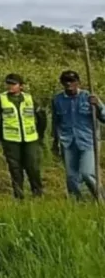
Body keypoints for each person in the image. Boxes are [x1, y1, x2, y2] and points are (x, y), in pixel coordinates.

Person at [0, 73, 47, 199]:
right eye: (8, 84)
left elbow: (42, 117)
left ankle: (37, 193)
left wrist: (39, 134)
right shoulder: (0, 99)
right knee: (15, 169)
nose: (10, 86)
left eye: (13, 84)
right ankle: (19, 195)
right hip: (10, 139)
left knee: (33, 167)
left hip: (30, 139)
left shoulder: (29, 99)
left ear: (21, 86)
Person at [51, 70, 105, 200]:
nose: (69, 84)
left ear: (78, 82)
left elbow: (103, 117)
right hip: (68, 141)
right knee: (71, 176)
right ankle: (78, 202)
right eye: (66, 81)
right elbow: (56, 121)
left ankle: (100, 198)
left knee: (87, 173)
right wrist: (55, 141)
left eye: (72, 81)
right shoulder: (57, 99)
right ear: (62, 83)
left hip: (89, 141)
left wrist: (97, 105)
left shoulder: (89, 97)